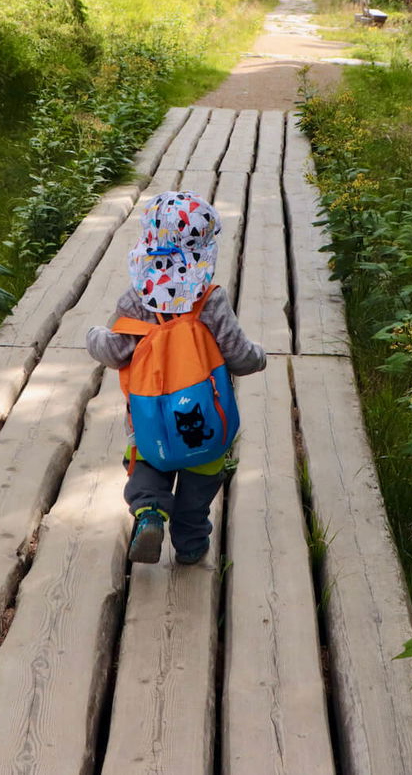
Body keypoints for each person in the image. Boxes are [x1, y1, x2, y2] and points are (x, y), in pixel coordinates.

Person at [86, 191, 267, 565]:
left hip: (149, 422)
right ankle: (191, 542)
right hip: (206, 420)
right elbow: (239, 356)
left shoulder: (135, 301)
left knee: (149, 465)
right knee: (199, 485)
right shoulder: (210, 300)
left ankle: (150, 512)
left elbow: (114, 352)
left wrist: (93, 337)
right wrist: (259, 356)